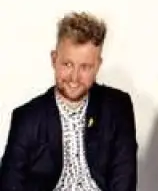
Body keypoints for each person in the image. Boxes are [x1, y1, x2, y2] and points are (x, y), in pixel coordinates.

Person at [0, 12, 137, 191]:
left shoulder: (117, 107)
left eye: (85, 67)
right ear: (54, 59)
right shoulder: (27, 117)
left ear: (98, 65)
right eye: (67, 64)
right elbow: (9, 183)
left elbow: (124, 179)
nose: (74, 78)